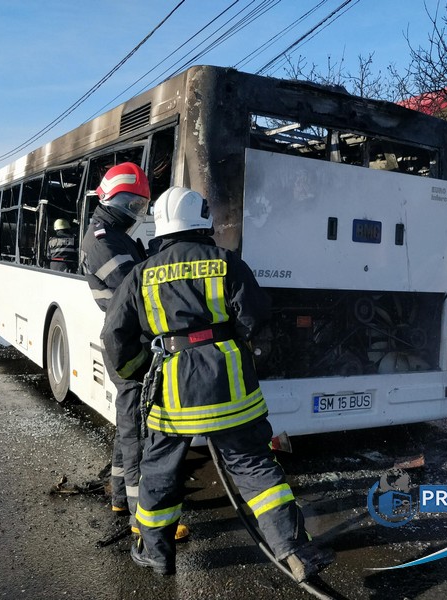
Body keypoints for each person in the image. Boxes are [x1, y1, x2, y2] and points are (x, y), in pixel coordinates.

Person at [101, 186, 333, 582]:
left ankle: (156, 554)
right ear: (203, 220)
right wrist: (235, 345)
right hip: (231, 389)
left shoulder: (141, 273)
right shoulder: (227, 262)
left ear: (162, 226)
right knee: (255, 468)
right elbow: (256, 318)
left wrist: (141, 371)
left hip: (172, 392)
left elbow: (114, 339)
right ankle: (293, 550)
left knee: (159, 472)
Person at [79, 163, 155, 531]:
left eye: (140, 206)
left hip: (128, 339)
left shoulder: (115, 234)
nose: (134, 212)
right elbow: (134, 291)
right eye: (130, 202)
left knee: (129, 422)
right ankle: (144, 518)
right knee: (136, 426)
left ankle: (120, 498)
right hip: (126, 343)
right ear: (108, 196)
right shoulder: (103, 238)